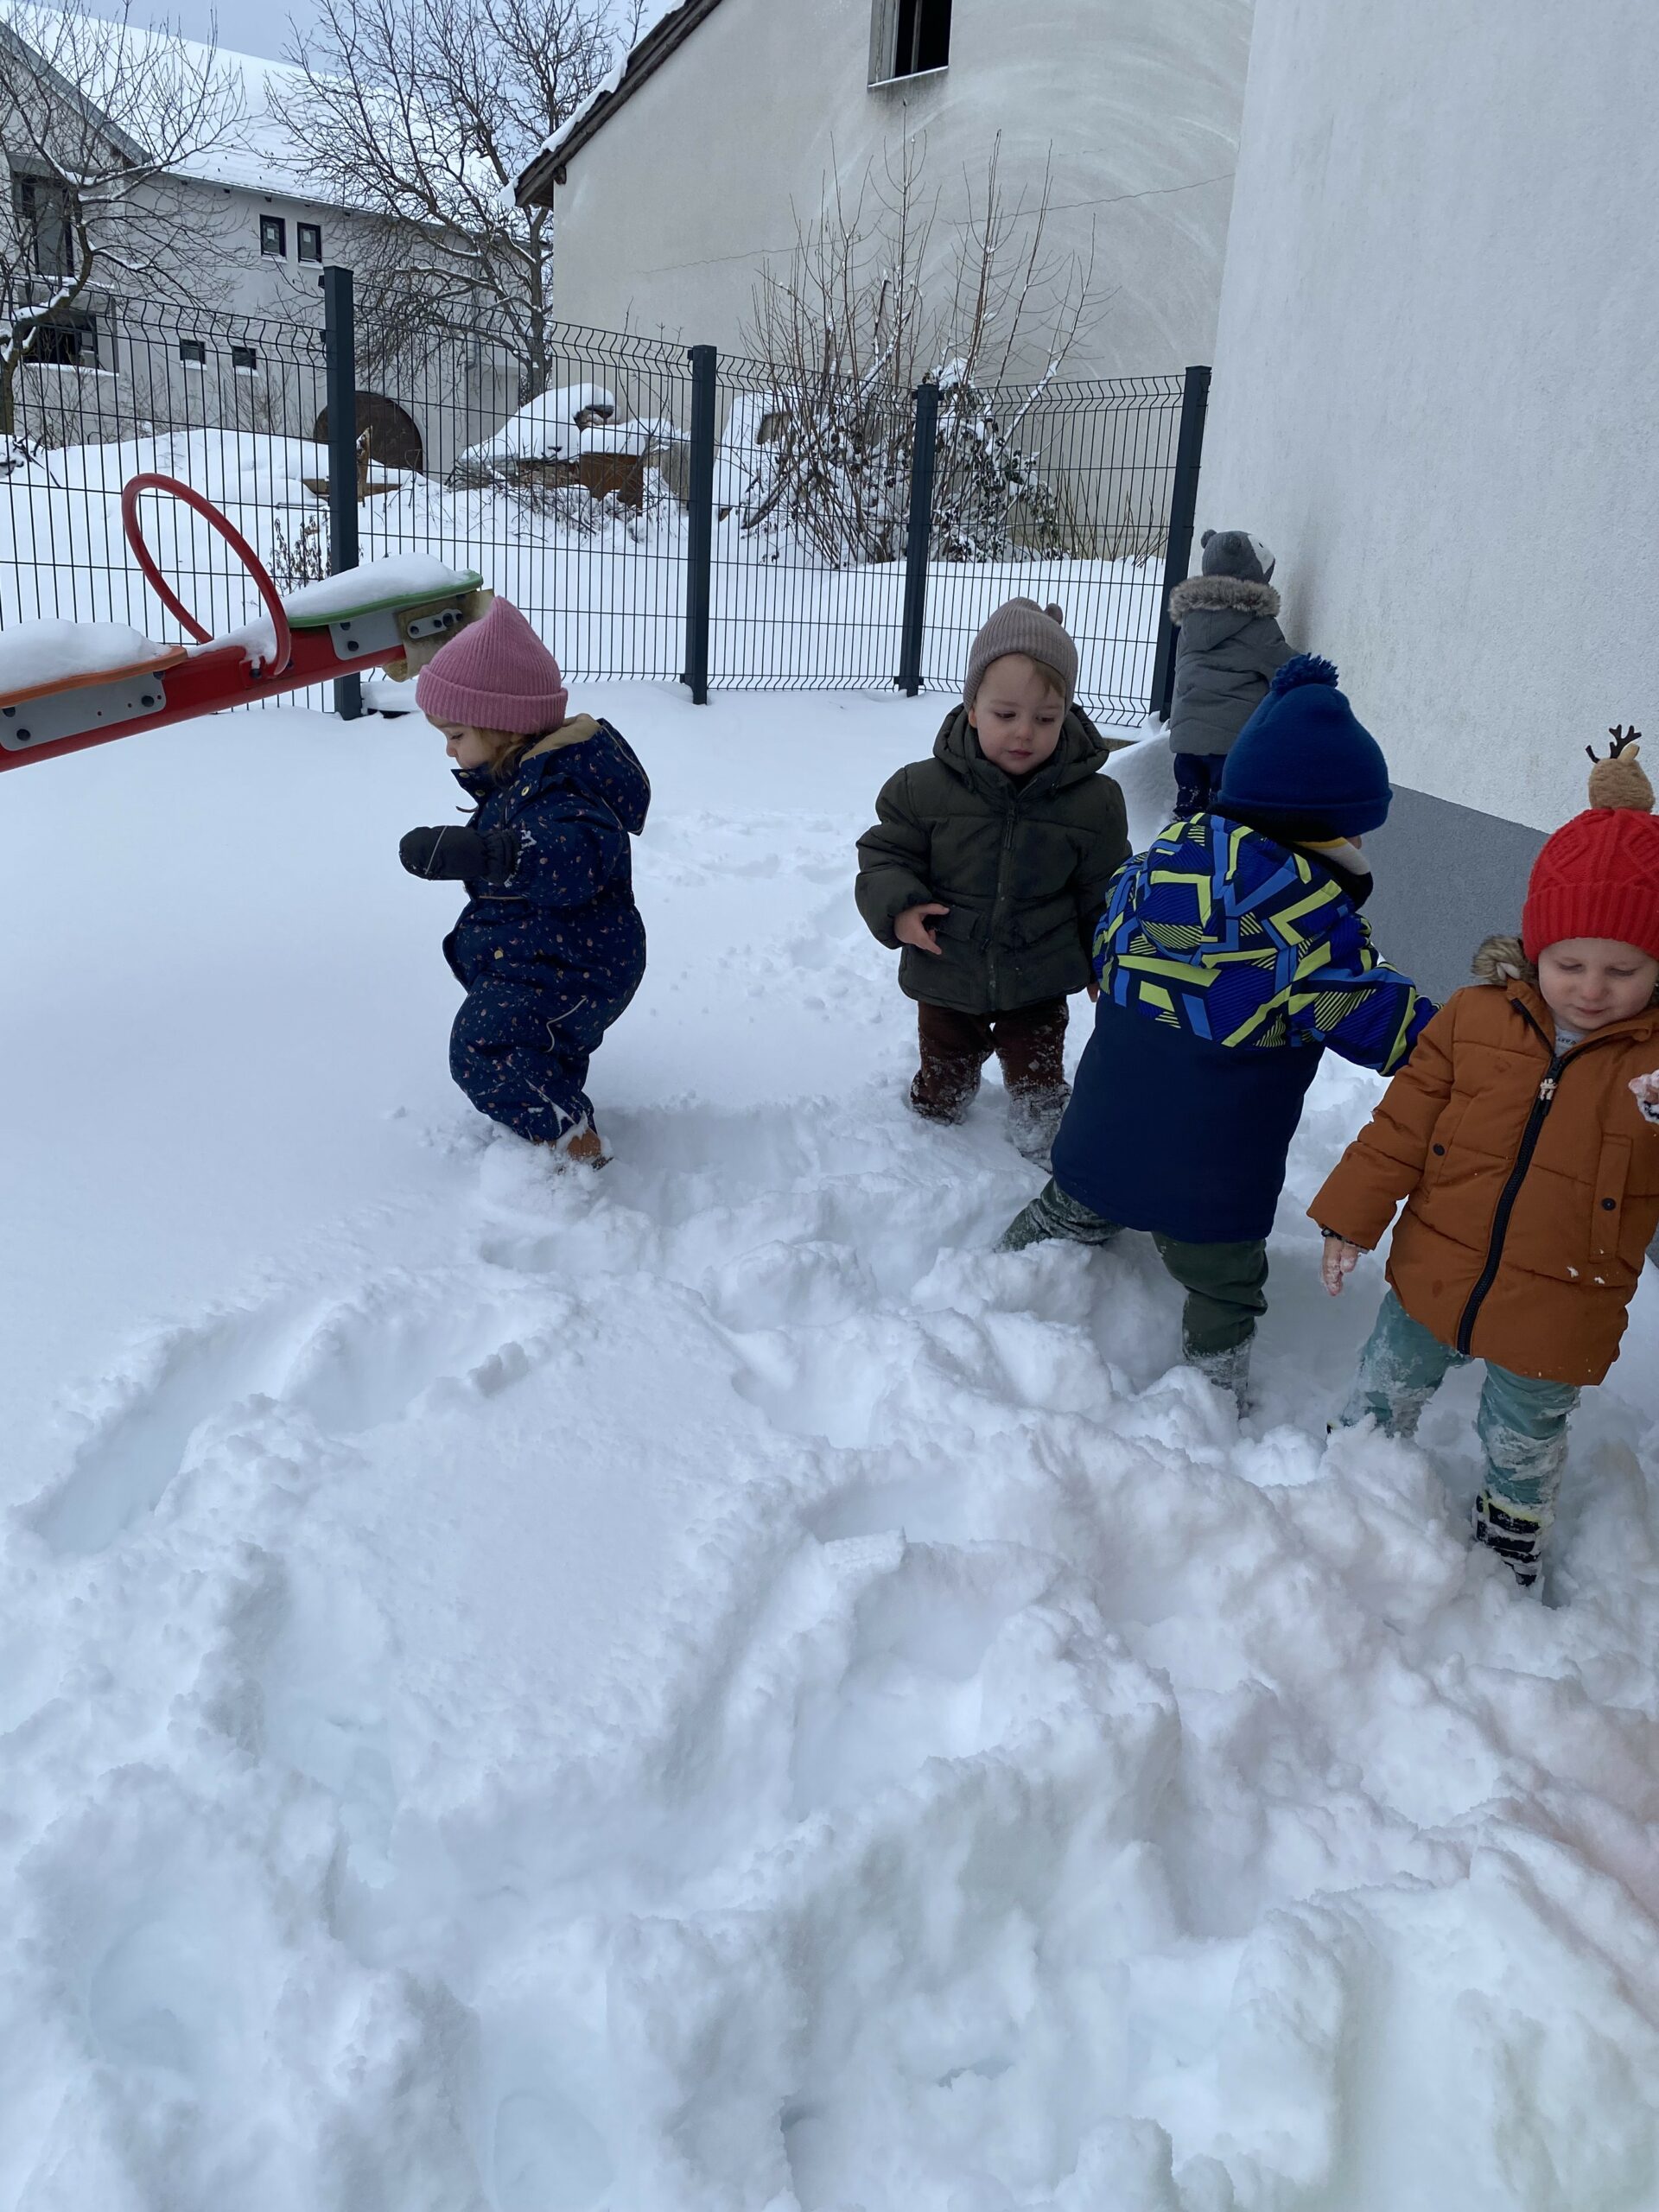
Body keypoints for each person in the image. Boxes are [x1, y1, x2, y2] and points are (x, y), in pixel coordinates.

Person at [1001, 656, 1433, 1408]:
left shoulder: (1152, 869)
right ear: (1329, 825)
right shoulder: (1310, 931)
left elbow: (1104, 944)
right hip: (1213, 1184)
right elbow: (1387, 1027)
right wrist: (1471, 1040)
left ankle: (994, 1284)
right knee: (1224, 1288)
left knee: (1064, 1208)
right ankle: (1213, 1390)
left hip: (1097, 1137)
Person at [1314, 729, 1659, 1589]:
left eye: (1623, 969)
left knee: (1525, 1432)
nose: (1592, 988)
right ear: (1535, 947)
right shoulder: (1473, 1019)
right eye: (1569, 962)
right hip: (1438, 1265)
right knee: (1388, 1376)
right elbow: (1400, 1126)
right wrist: (1349, 1218)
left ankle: (1513, 1531)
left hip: (1562, 1298)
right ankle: (1351, 1474)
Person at [855, 599, 1128, 1160]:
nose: (1024, 732)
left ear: (1067, 714)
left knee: (1038, 1065)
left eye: (1046, 719)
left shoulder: (1094, 802)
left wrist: (1105, 954)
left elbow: (1104, 888)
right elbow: (885, 857)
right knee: (946, 1060)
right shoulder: (921, 789)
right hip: (948, 963)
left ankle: (1041, 1112)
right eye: (1006, 715)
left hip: (1041, 968)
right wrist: (900, 909)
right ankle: (936, 1110)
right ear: (973, 709)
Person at [397, 598, 649, 1164]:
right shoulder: (519, 778)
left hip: (577, 965)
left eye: (456, 732)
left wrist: (491, 852)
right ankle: (556, 1118)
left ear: (503, 726)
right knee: (534, 1047)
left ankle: (573, 1145)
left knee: (484, 1049)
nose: (449, 748)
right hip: (547, 956)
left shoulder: (563, 788)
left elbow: (574, 856)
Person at [1166, 528, 1294, 817]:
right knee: (1223, 807)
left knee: (1189, 802)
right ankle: (1218, 838)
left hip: (1187, 739)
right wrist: (1314, 670)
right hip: (1229, 744)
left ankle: (1183, 834)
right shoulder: (1257, 624)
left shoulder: (1189, 622)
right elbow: (1284, 666)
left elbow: (1181, 669)